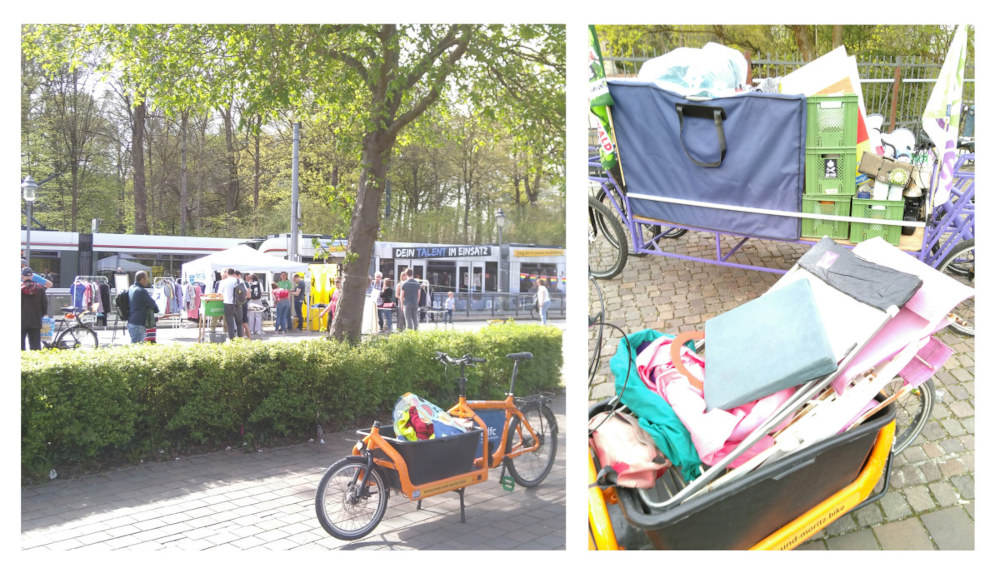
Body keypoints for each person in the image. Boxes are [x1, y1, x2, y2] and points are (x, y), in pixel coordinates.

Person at [127, 270, 160, 344]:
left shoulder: (131, 288)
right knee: (137, 347)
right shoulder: (141, 291)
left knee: (134, 345)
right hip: (138, 324)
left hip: (131, 322)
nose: (148, 280)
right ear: (142, 279)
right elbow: (152, 304)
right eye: (147, 278)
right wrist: (156, 310)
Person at [21, 267, 47, 350]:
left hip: (21, 320)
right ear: (32, 276)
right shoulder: (40, 288)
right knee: (35, 347)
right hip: (35, 320)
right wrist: (40, 315)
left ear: (22, 276)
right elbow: (44, 304)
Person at [218, 268, 243, 340]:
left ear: (227, 273)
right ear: (233, 273)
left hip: (228, 303)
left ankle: (232, 339)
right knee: (239, 323)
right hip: (238, 303)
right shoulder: (239, 280)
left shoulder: (223, 282)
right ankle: (240, 338)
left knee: (230, 322)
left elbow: (219, 293)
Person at [236, 271, 252, 339]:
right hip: (244, 303)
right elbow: (248, 295)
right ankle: (248, 339)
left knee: (243, 323)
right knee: (243, 323)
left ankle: (246, 338)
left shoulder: (241, 283)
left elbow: (249, 295)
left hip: (240, 304)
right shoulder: (245, 283)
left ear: (239, 275)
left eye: (235, 276)